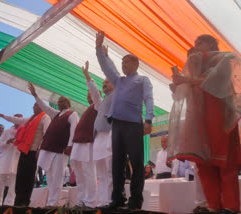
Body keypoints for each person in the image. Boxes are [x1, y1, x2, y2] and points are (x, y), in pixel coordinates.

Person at [168, 34, 241, 214]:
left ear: (210, 43)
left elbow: (215, 83)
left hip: (221, 119)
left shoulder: (227, 58)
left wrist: (186, 80)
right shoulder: (196, 66)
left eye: (199, 42)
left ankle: (231, 207)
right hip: (199, 121)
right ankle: (213, 206)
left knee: (225, 164)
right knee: (204, 164)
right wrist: (178, 85)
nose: (196, 46)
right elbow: (185, 95)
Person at [96, 31, 154, 210]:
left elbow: (149, 99)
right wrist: (98, 48)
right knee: (117, 163)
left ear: (136, 64)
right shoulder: (118, 81)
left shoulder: (142, 80)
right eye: (121, 62)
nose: (123, 64)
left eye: (126, 62)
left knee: (136, 162)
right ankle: (117, 199)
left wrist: (149, 120)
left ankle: (136, 201)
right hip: (117, 125)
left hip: (134, 125)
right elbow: (107, 67)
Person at [28, 83, 79, 207]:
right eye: (59, 101)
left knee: (57, 176)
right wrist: (35, 95)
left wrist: (70, 145)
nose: (61, 103)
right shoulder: (56, 114)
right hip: (48, 148)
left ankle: (54, 202)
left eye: (63, 101)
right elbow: (44, 107)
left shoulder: (72, 114)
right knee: (49, 176)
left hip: (60, 150)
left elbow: (74, 130)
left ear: (68, 104)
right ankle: (51, 201)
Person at [0, 103, 50, 206]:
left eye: (36, 105)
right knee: (1, 181)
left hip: (23, 156)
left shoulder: (36, 122)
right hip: (8, 158)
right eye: (33, 105)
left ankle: (10, 203)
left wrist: (40, 148)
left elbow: (45, 134)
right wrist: (2, 116)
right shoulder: (9, 130)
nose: (33, 107)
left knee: (17, 183)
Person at [85, 55, 115, 207]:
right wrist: (88, 78)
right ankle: (102, 202)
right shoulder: (100, 103)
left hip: (110, 137)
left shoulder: (118, 96)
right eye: (103, 83)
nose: (104, 85)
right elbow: (95, 94)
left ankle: (110, 201)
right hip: (98, 140)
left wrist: (107, 59)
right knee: (101, 174)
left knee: (110, 173)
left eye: (107, 82)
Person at [70, 61, 98, 208]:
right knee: (79, 174)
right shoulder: (88, 109)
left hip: (89, 143)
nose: (88, 94)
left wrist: (88, 77)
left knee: (88, 172)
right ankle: (81, 201)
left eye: (90, 92)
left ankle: (91, 202)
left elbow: (94, 91)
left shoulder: (99, 105)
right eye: (87, 93)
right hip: (78, 144)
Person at [0, 114, 23, 206]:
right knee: (1, 180)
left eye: (20, 119)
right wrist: (7, 142)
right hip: (6, 158)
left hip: (16, 158)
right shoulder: (7, 131)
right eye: (16, 118)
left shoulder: (24, 131)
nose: (18, 120)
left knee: (13, 182)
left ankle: (9, 202)